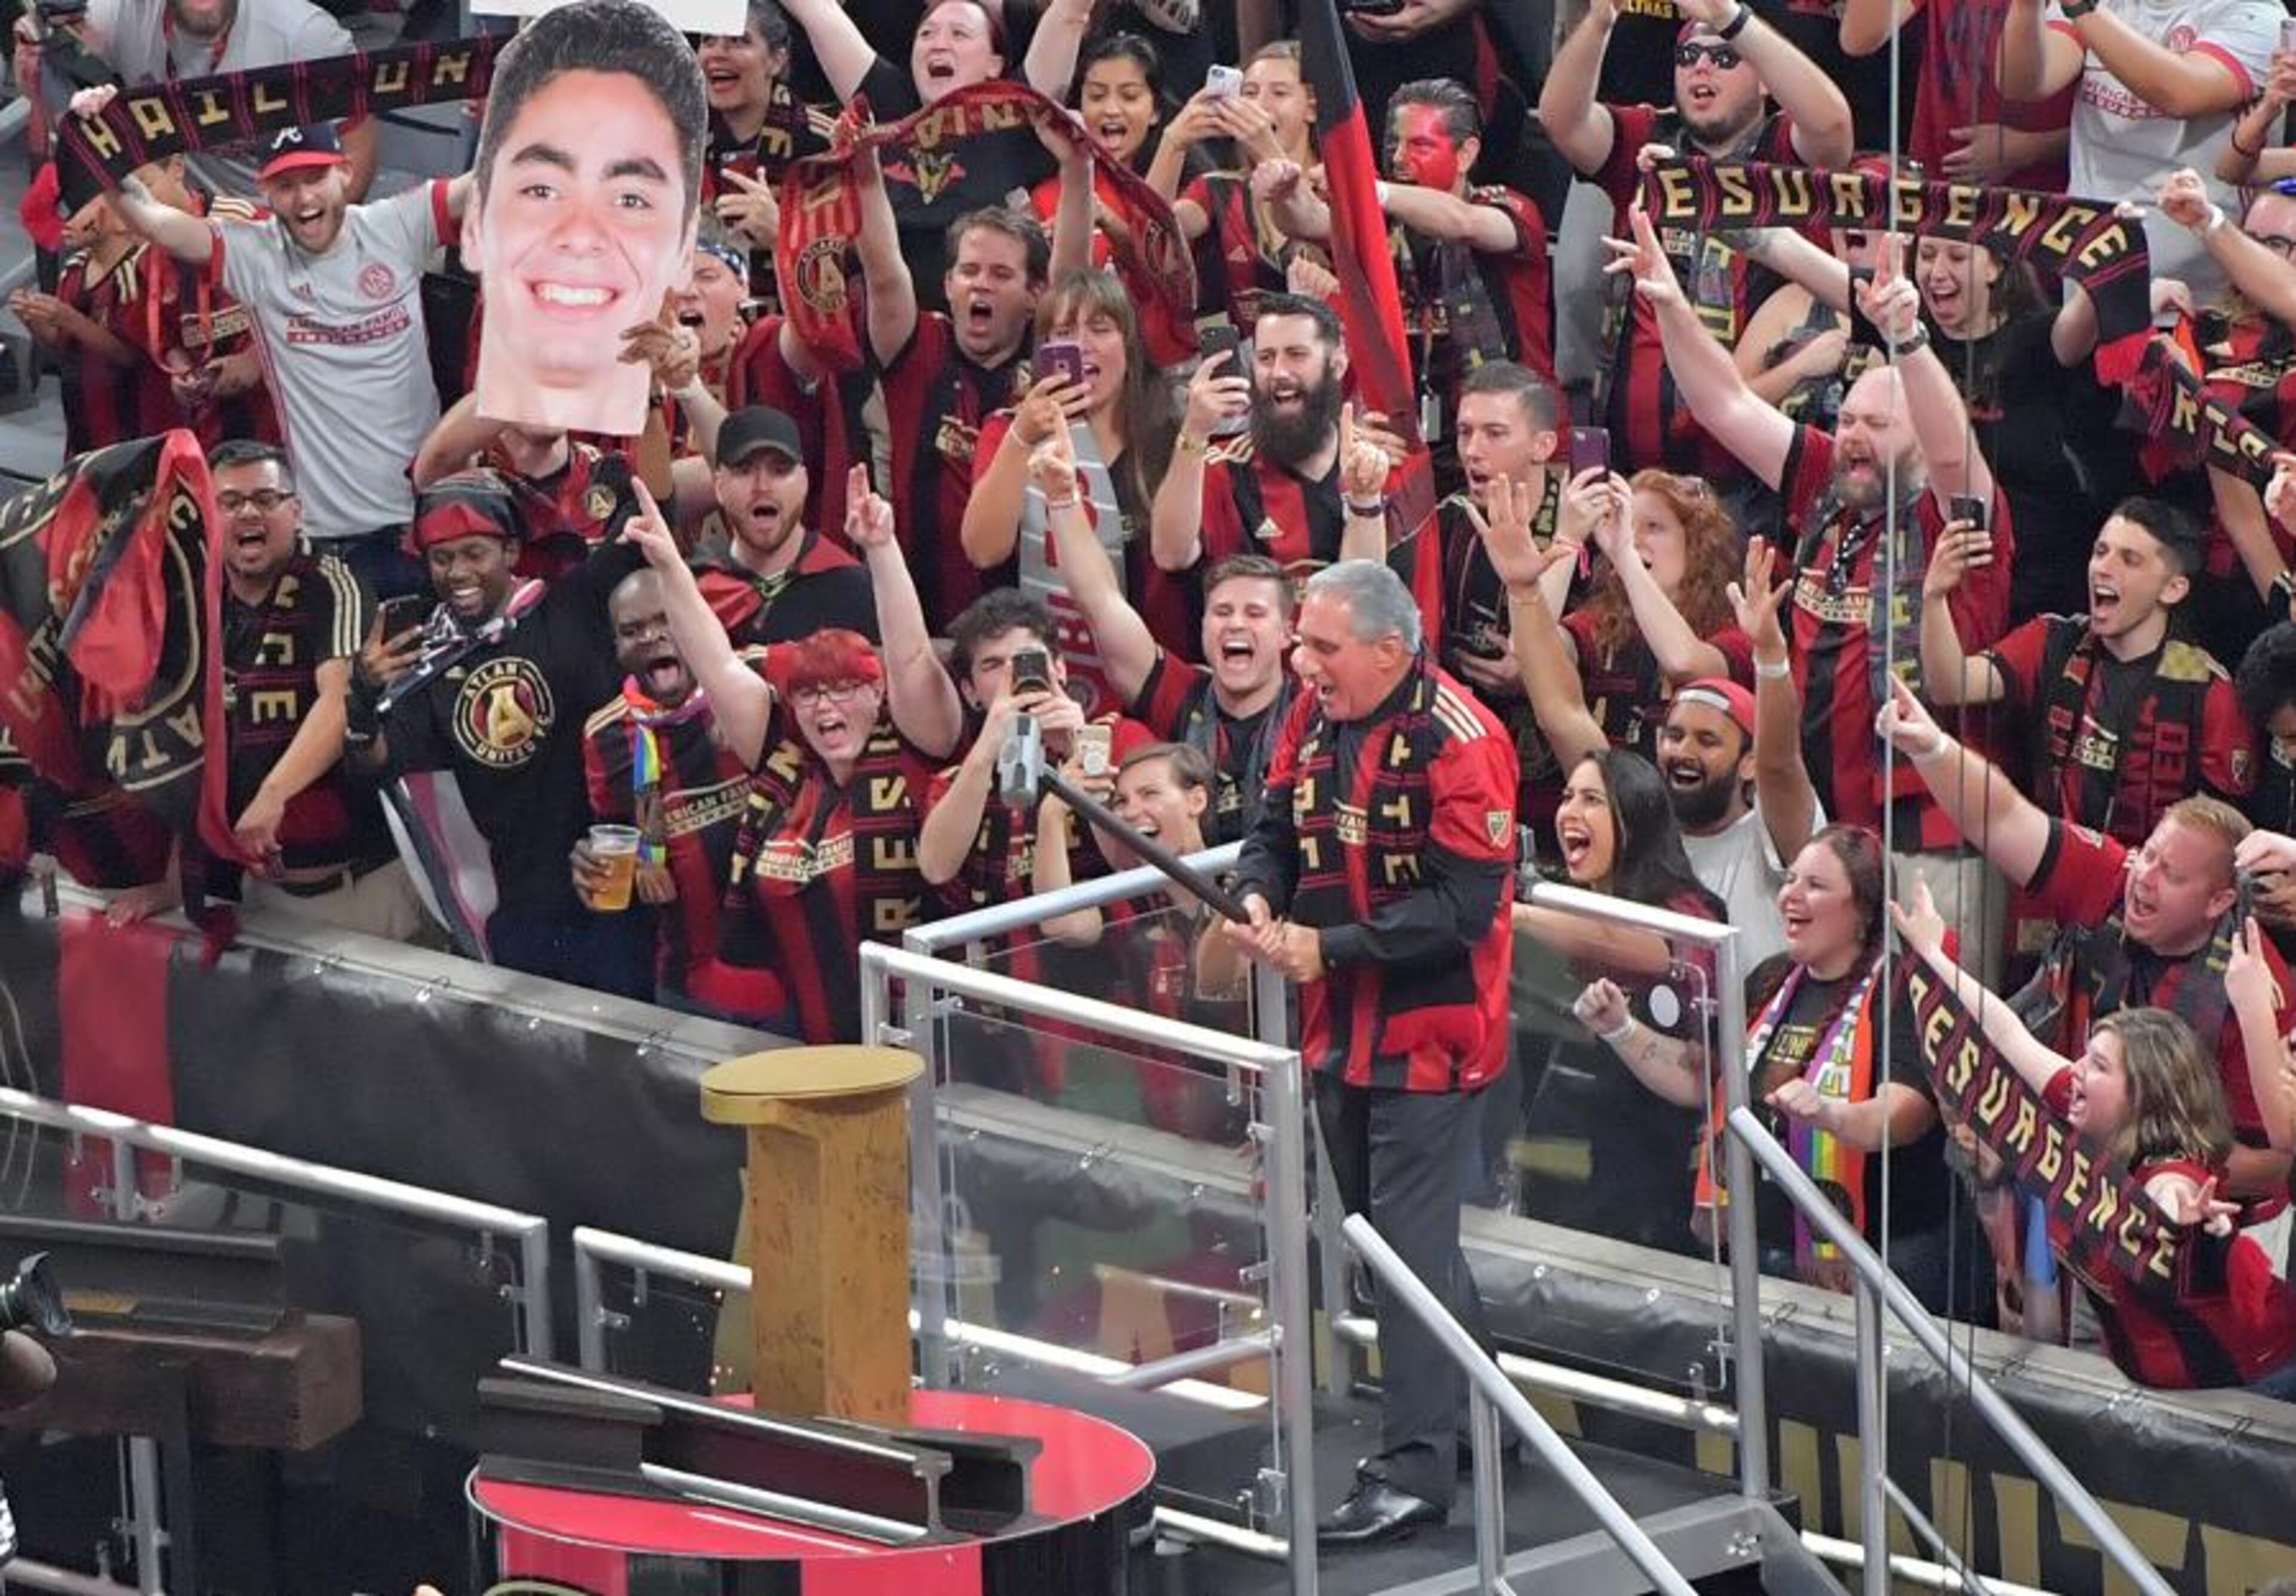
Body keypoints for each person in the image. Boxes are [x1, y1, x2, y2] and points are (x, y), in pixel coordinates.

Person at [1201, 559, 1516, 1546]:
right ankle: (1483, 1412)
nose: (1303, 661)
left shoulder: (1465, 743)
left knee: (1407, 1258)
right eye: (1302, 643)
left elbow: (1463, 914)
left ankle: (1416, 1472)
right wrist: (1258, 896)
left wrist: (1321, 947)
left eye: (1322, 647)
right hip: (1336, 1025)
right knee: (1394, 1237)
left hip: (1433, 1032)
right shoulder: (1311, 713)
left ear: (1391, 650)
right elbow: (1269, 833)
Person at [1613, 209, 2015, 973]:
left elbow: (1952, 446)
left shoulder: (1956, 517)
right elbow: (1724, 405)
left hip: (1927, 843)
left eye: (1879, 426)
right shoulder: (1832, 485)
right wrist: (1668, 301)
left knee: (1925, 1037)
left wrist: (1910, 342)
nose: (1856, 436)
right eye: (1852, 418)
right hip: (1818, 826)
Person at [1876, 678, 2296, 1222]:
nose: (2143, 879)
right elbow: (2002, 817)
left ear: (2219, 901)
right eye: (2148, 856)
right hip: (2062, 1179)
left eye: (2171, 875)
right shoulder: (2116, 876)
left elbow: (2278, 1163)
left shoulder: (2257, 987)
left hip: (2186, 1233)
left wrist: (2152, 1162)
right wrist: (1931, 746)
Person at [1897, 882, 2296, 1395]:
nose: (2077, 1071)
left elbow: (2168, 1197)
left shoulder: (2172, 1172)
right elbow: (2005, 1032)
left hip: (2256, 1383)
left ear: (2143, 1095)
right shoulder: (2085, 1106)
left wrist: (2180, 1218)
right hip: (2161, 1382)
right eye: (2086, 1056)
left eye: (2099, 1066)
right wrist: (1931, 956)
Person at [616, 470, 959, 1041]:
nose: (826, 706)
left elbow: (913, 658)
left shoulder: (917, 745)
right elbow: (718, 664)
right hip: (805, 1043)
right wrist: (671, 569)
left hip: (925, 1043)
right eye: (808, 693)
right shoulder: (783, 761)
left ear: (878, 695)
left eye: (844, 689)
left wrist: (881, 550)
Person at [1577, 824, 1965, 1308]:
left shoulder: (1899, 990)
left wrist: (1833, 1116)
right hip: (1763, 1251)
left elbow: (1905, 1114)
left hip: (1878, 1259)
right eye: (1790, 880)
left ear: (1862, 910)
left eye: (1816, 886)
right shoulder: (1770, 978)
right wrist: (1621, 1029)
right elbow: (1704, 1082)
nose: (1790, 897)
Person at [101, 118, 475, 601]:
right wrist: (101, 138)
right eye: (285, 185)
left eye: (315, 179)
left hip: (427, 525)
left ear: (344, 171)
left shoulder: (398, 224)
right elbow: (152, 221)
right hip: (328, 537)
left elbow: (493, 179)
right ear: (266, 193)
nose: (303, 199)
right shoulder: (255, 255)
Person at [345, 469, 652, 995]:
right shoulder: (431, 664)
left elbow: (652, 520)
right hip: (524, 913)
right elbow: (375, 760)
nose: (457, 572)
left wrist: (661, 398)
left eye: (474, 554)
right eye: (442, 559)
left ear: (511, 552)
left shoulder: (572, 605)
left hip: (621, 897)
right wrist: (362, 697)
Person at [1540, 0, 1854, 479]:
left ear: (1765, 80)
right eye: (1687, 57)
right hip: (1638, 470)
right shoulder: (1649, 138)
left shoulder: (1784, 150)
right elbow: (1562, 121)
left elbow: (1833, 126)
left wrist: (1734, 19)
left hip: (1753, 477)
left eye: (1725, 58)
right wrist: (1600, 21)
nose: (1701, 67)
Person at [1922, 498, 2255, 849]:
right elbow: (1951, 686)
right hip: (2049, 877)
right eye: (2101, 551)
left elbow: (2227, 836)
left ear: (2173, 589)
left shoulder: (2207, 688)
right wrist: (1934, 597)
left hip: (2150, 888)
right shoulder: (2053, 641)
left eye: (2130, 560)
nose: (2103, 568)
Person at [1032, 427, 1293, 842]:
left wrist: (1366, 505)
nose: (1236, 624)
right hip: (1195, 901)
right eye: (1222, 612)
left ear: (1287, 634)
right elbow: (1099, 604)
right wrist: (1063, 499)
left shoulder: (1314, 707)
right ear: (1204, 626)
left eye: (1255, 613)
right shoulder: (1182, 694)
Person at [466, 0, 708, 437]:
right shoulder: (492, 311)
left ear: (686, 246)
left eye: (631, 200)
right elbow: (434, 468)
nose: (580, 235)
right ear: (473, 224)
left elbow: (667, 495)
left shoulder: (670, 340)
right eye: (542, 190)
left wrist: (681, 389)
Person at [213, 441, 425, 940]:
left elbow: (340, 698)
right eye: (230, 501)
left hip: (359, 892)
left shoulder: (334, 583)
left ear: (297, 511)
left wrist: (272, 797)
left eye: (266, 499)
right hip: (257, 890)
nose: (249, 512)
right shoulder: (195, 597)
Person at [964, 267, 1189, 713]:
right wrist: (1022, 437)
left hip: (1154, 685)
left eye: (1100, 328)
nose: (1081, 344)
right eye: (1063, 332)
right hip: (1040, 688)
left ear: (1128, 344)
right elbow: (983, 550)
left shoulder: (1170, 437)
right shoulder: (1008, 431)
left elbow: (1183, 554)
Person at [1997, 0, 2279, 300]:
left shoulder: (2254, 12)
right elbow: (2022, 84)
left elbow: (2181, 94)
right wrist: (2027, 9)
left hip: (2202, 289)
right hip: (2091, 275)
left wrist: (2080, 6)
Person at [862, 195, 1048, 631]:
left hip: (1028, 632)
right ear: (948, 284)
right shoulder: (922, 347)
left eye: (1001, 274)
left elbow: (1074, 270)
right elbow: (884, 273)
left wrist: (1077, 172)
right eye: (969, 271)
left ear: (1035, 294)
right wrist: (867, 173)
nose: (980, 285)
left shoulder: (1047, 365)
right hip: (925, 629)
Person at [917, 588, 1156, 911]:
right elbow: (935, 868)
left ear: (1059, 668)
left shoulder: (1120, 737)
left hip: (1121, 946)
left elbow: (1139, 861)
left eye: (1025, 659)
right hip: (1004, 955)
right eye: (993, 665)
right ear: (970, 692)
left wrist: (1080, 747)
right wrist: (988, 749)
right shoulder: (955, 782)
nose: (1011, 675)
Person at [1151, 292, 1407, 594]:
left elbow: (1368, 601)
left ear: (1337, 364)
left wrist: (1364, 496)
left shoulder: (1373, 462)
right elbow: (1170, 555)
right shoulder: (1224, 468)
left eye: (1296, 355)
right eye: (1266, 358)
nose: (1279, 373)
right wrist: (1194, 430)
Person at [78, 0, 379, 199]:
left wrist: (310, 242)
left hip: (275, 221)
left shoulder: (304, 36)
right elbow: (51, 30)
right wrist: (36, 37)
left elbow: (357, 147)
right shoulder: (120, 15)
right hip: (180, 215)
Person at [679, 406, 879, 650]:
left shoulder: (854, 590)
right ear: (719, 487)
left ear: (804, 482)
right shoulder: (691, 588)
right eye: (744, 470)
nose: (762, 486)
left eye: (780, 470)